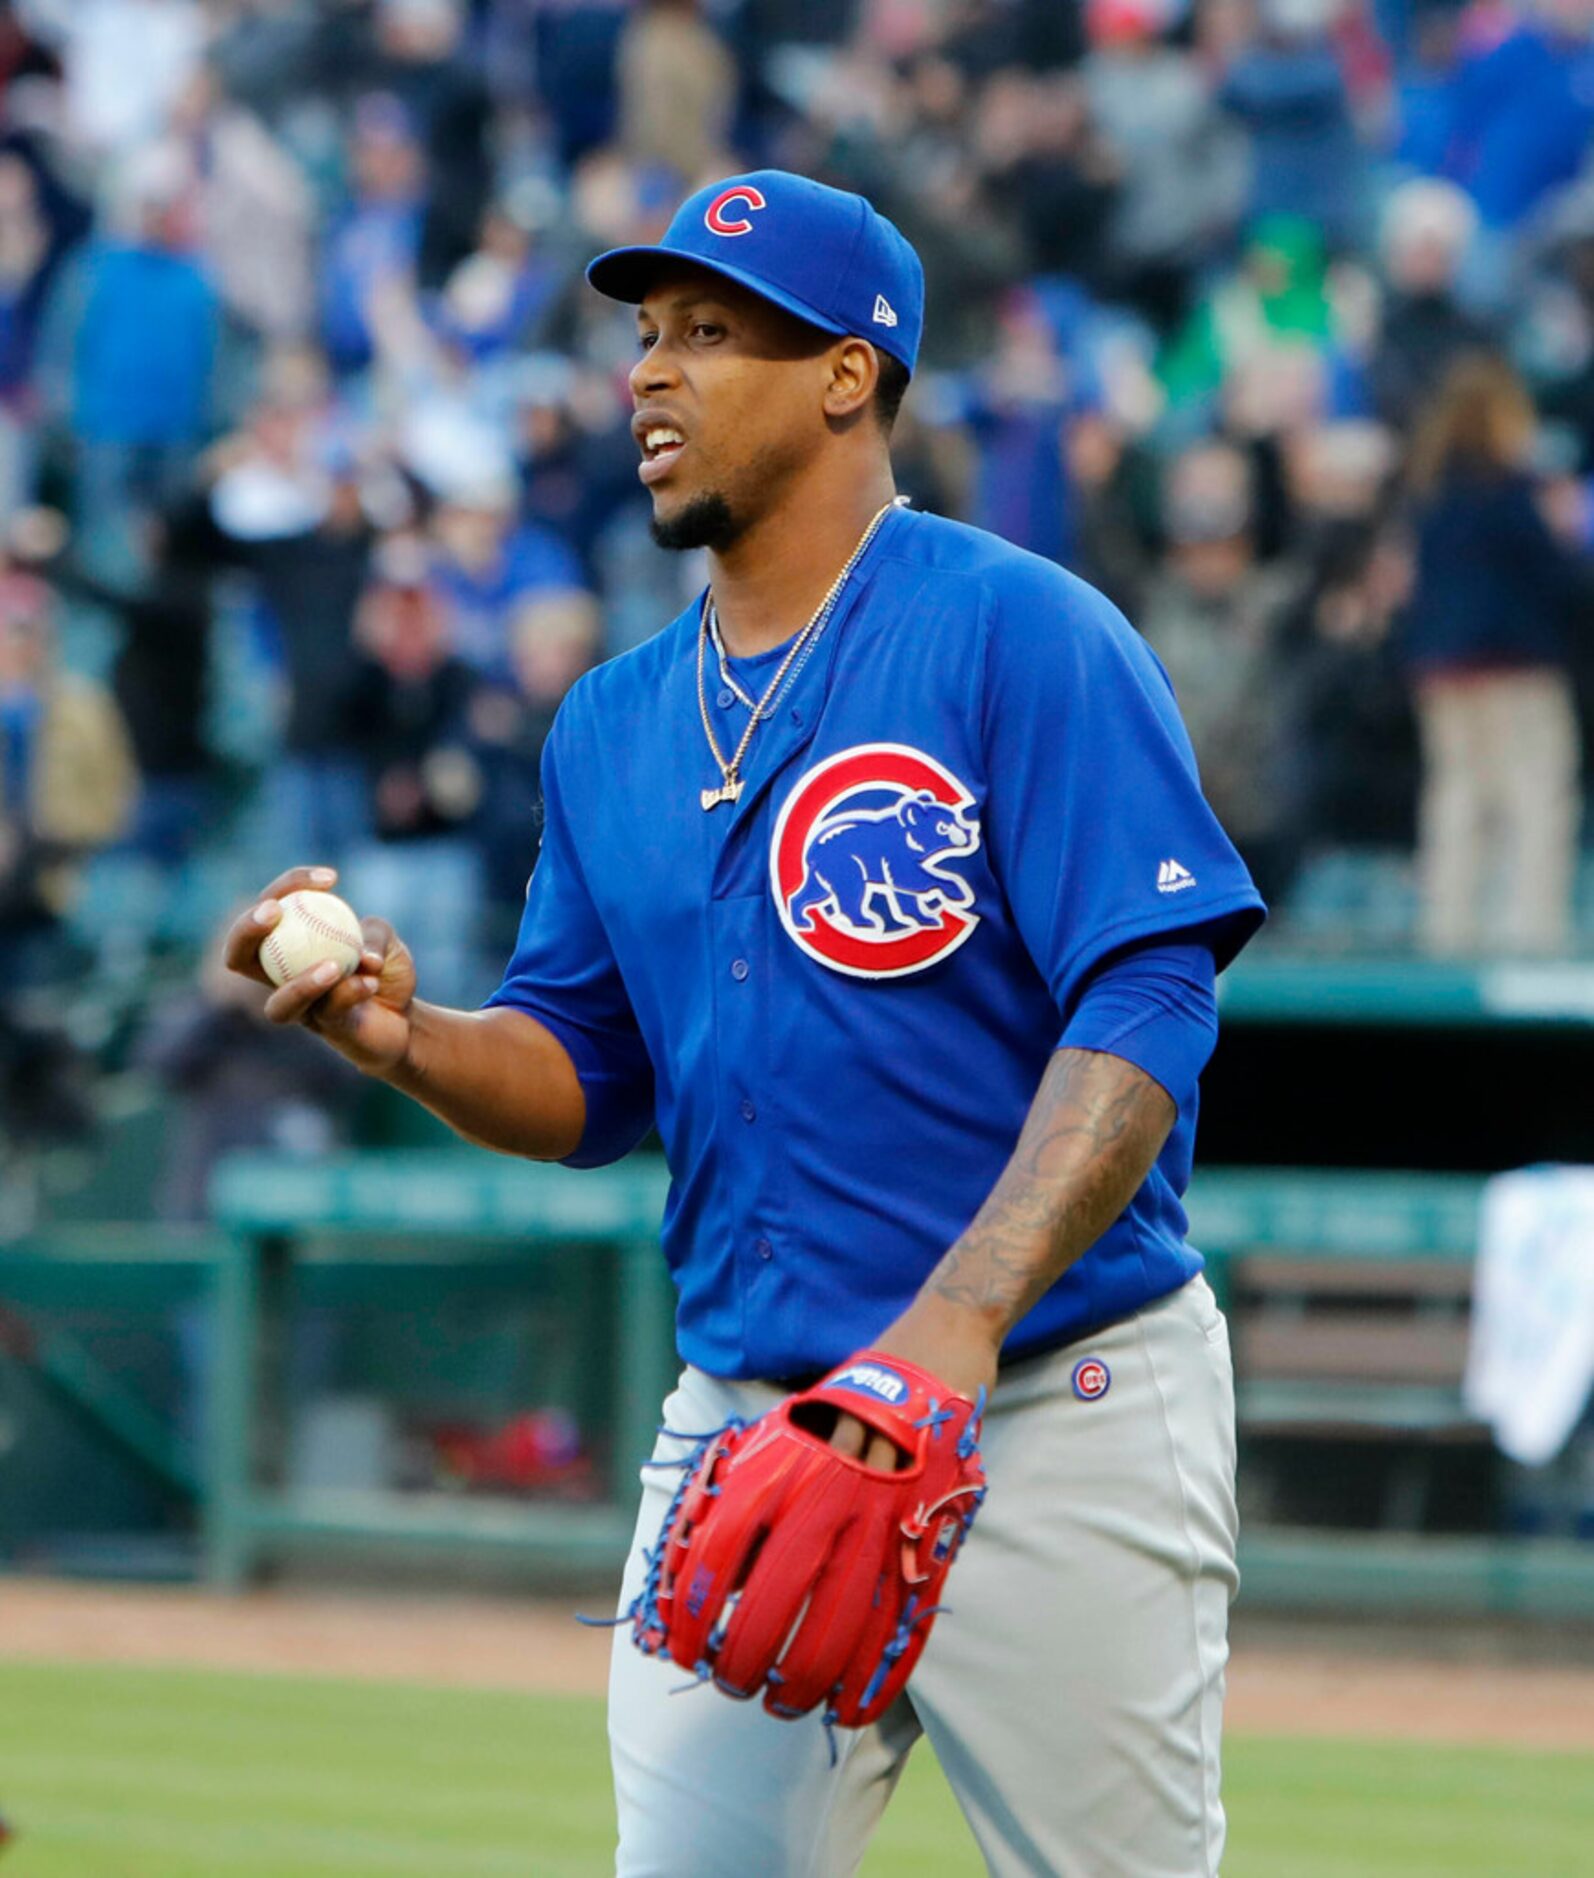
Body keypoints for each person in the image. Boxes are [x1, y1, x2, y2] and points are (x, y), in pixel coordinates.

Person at [225, 170, 1265, 1877]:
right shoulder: (611, 722)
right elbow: (580, 1073)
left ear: (849, 374)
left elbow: (1150, 993)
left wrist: (946, 1327)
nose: (650, 372)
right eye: (645, 335)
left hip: (1047, 1400)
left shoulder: (1019, 632)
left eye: (710, 333)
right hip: (755, 1423)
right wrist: (403, 1039)